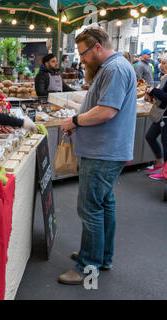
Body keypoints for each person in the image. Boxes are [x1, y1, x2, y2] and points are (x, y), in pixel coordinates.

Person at [59, 25, 137, 285]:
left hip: (102, 152)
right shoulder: (113, 67)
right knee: (104, 205)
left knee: (90, 208)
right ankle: (101, 256)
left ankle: (86, 266)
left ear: (98, 48)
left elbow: (106, 112)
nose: (81, 59)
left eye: (83, 53)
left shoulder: (114, 69)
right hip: (105, 150)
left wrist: (74, 120)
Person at [144, 53, 167, 180]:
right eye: (161, 62)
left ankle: (164, 171)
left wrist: (153, 91)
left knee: (165, 143)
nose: (160, 65)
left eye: (164, 63)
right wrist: (151, 97)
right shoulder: (164, 78)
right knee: (150, 136)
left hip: (165, 116)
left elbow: (165, 97)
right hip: (161, 114)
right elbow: (161, 98)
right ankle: (160, 163)